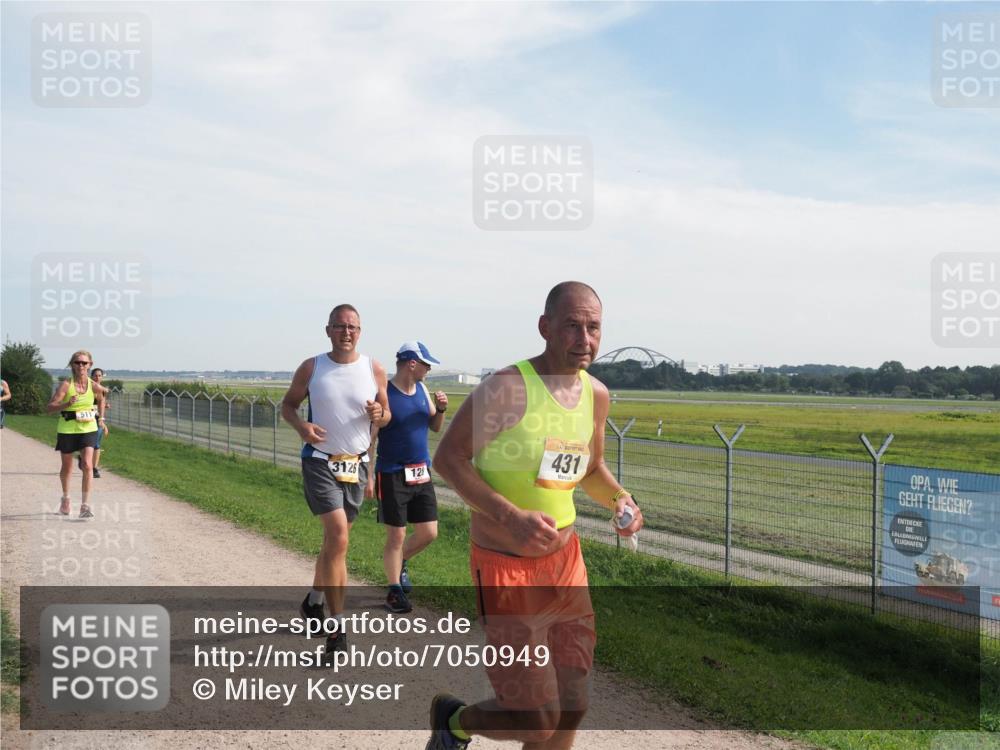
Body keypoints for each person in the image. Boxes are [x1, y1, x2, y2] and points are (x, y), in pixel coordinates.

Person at [428, 281, 643, 750]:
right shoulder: (507, 388)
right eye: (572, 325)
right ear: (545, 327)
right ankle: (455, 722)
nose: (584, 338)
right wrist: (510, 516)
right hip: (506, 569)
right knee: (534, 719)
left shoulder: (596, 394)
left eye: (593, 327)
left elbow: (590, 467)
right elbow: (448, 460)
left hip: (567, 565)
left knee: (573, 706)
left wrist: (620, 500)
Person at [281, 304, 391, 655]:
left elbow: (385, 415)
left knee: (335, 544)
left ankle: (313, 602)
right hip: (320, 461)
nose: (347, 332)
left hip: (355, 465)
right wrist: (302, 427)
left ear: (361, 331)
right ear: (328, 330)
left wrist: (380, 413)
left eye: (353, 327)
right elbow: (288, 406)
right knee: (339, 536)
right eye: (340, 326)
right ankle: (337, 629)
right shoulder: (313, 367)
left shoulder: (374, 368)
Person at [365, 341, 448, 614]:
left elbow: (434, 427)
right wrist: (368, 477)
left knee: (429, 532)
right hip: (391, 473)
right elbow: (371, 438)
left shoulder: (423, 390)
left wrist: (442, 409)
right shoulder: (385, 394)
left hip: (421, 472)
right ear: (412, 363)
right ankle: (394, 591)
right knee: (397, 535)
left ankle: (399, 564)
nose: (429, 369)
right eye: (426, 364)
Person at [46, 351, 105, 519]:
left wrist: (101, 418)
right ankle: (65, 500)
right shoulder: (66, 385)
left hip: (88, 428)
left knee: (87, 465)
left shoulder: (94, 385)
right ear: (72, 364)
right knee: (67, 468)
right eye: (78, 362)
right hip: (67, 429)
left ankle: (85, 506)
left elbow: (101, 398)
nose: (81, 365)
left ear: (90, 365)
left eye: (84, 363)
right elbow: (50, 407)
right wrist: (66, 404)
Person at [87, 368, 110, 478]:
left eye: (100, 375)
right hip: (86, 419)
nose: (97, 377)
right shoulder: (87, 388)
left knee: (96, 444)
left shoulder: (103, 391)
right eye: (95, 375)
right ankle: (83, 458)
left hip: (98, 419)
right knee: (87, 443)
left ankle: (94, 468)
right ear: (91, 376)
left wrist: (102, 420)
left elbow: (101, 405)